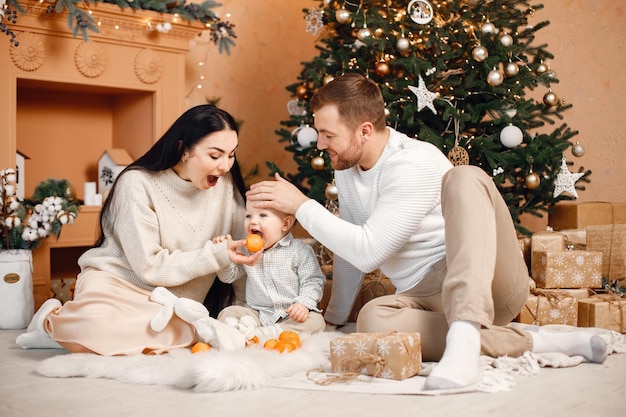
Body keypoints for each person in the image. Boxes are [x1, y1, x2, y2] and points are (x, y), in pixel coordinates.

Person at [246, 73, 609, 390]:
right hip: (424, 293)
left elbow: (369, 251)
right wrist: (335, 319)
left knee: (464, 177)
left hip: (485, 280)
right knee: (370, 321)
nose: (321, 145)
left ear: (365, 131)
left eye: (328, 135)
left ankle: (467, 331)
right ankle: (531, 342)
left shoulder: (413, 161)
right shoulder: (347, 168)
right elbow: (352, 246)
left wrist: (302, 205)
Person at [16, 104, 262, 355]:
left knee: (185, 330)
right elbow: (150, 267)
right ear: (184, 149)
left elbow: (238, 254)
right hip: (117, 285)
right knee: (97, 327)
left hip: (173, 300)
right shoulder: (136, 183)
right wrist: (216, 255)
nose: (225, 166)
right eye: (215, 155)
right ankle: (51, 319)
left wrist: (244, 311)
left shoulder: (225, 185)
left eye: (231, 155)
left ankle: (64, 335)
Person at [213, 200, 326, 344]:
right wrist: (223, 254)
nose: (253, 222)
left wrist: (303, 303)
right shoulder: (246, 250)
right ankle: (244, 333)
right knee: (228, 313)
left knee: (316, 322)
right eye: (248, 216)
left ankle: (263, 334)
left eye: (263, 215)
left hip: (290, 314)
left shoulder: (299, 250)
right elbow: (229, 277)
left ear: (285, 224)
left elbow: (313, 280)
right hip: (257, 315)